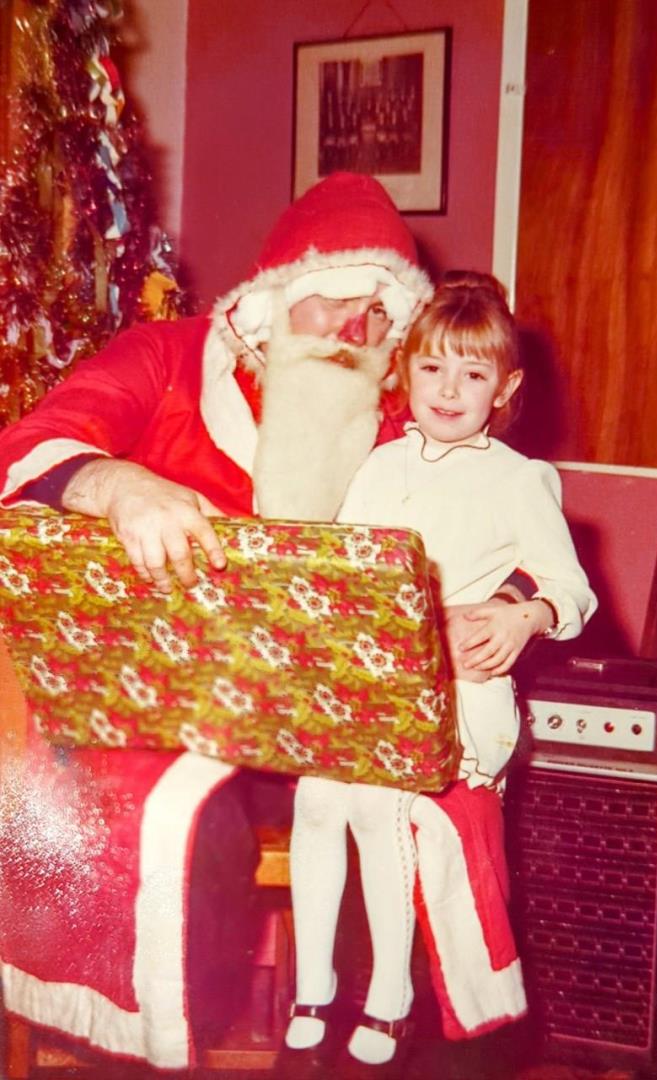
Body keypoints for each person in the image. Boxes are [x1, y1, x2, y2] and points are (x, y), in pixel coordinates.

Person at [0, 176, 538, 1067]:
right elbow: (26, 444)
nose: (356, 333)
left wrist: (519, 603)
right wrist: (117, 485)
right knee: (176, 841)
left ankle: (348, 1050)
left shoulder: (405, 407)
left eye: (379, 316)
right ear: (273, 297)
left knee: (426, 819)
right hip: (177, 712)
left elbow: (506, 509)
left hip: (341, 719)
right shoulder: (165, 358)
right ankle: (154, 1050)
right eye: (336, 301)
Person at [283, 271, 597, 1074]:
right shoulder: (382, 465)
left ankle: (389, 995)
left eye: (473, 373)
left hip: (468, 695)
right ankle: (313, 987)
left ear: (505, 387)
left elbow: (569, 589)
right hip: (382, 681)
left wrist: (523, 614)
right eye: (432, 368)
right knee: (318, 795)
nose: (449, 390)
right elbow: (348, 568)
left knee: (380, 799)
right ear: (405, 372)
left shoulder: (517, 478)